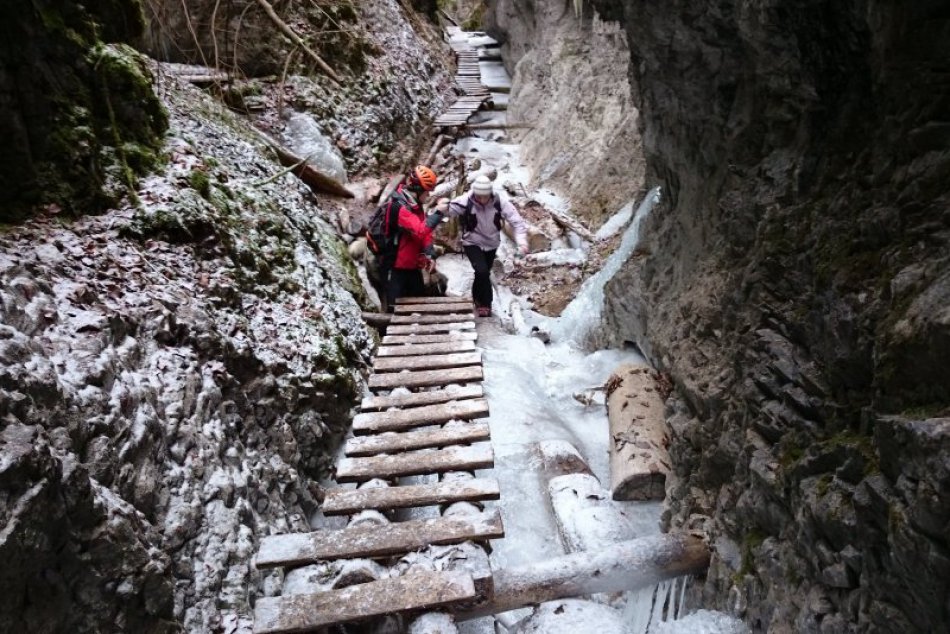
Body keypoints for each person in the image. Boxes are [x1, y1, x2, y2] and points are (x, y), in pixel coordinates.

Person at [446, 174, 528, 317]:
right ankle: (485, 303)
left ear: (490, 193)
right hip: (472, 241)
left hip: (492, 243)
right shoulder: (466, 200)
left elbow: (517, 222)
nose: (482, 200)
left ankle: (477, 298)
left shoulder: (500, 202)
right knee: (482, 271)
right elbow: (449, 209)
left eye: (485, 196)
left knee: (482, 273)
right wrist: (442, 207)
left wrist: (521, 242)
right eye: (479, 196)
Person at [383, 164, 445, 310]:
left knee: (419, 304)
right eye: (427, 192)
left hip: (411, 265)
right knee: (394, 310)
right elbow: (420, 230)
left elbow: (425, 234)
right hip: (395, 267)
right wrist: (438, 213)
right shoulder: (399, 207)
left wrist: (430, 254)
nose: (429, 195)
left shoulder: (415, 204)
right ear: (418, 190)